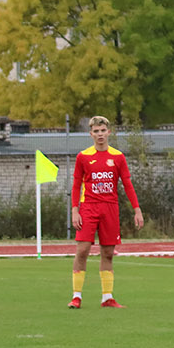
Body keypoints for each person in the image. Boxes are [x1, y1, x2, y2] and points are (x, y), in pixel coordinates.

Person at [69, 116, 143, 309]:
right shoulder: (83, 157)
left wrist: (137, 210)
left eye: (103, 131)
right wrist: (75, 211)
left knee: (108, 253)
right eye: (96, 131)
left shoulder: (118, 157)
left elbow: (127, 184)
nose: (100, 134)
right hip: (88, 207)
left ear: (109, 132)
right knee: (82, 250)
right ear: (91, 134)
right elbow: (76, 185)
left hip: (110, 208)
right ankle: (76, 296)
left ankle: (107, 297)